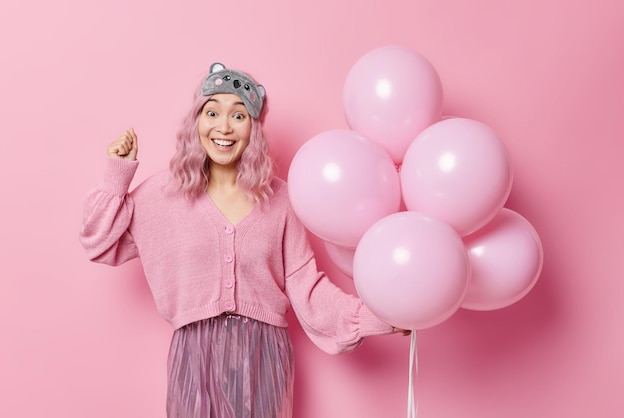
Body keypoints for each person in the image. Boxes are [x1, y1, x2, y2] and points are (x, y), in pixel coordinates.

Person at [79, 63, 402, 418]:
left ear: (254, 128)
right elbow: (99, 241)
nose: (223, 126)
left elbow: (307, 288)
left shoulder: (281, 200)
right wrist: (116, 176)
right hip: (194, 354)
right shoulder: (163, 194)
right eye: (212, 111)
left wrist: (380, 314)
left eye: (239, 115)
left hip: (264, 356)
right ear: (196, 122)